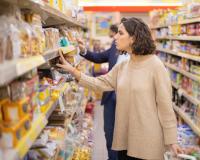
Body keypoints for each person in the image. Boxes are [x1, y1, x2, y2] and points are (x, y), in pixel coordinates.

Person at [57, 17, 183, 160]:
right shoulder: (124, 66)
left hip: (148, 143)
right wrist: (73, 71)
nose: (115, 36)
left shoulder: (155, 66)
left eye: (120, 33)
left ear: (133, 38)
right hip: (125, 140)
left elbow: (165, 106)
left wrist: (172, 140)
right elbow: (100, 83)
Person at [77, 24, 122, 160]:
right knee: (109, 132)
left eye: (120, 33)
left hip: (128, 101)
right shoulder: (115, 46)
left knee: (124, 136)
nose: (116, 36)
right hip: (110, 97)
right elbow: (98, 57)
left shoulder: (138, 54)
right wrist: (83, 50)